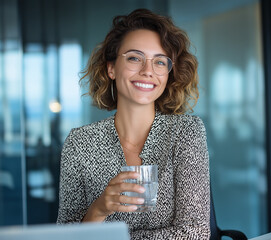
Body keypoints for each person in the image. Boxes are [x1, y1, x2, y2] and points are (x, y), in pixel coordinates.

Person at [56, 8, 210, 239]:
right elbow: (64, 234)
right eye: (135, 58)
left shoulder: (185, 132)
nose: (148, 71)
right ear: (111, 68)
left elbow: (195, 232)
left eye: (160, 62)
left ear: (168, 74)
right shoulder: (80, 142)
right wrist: (98, 210)